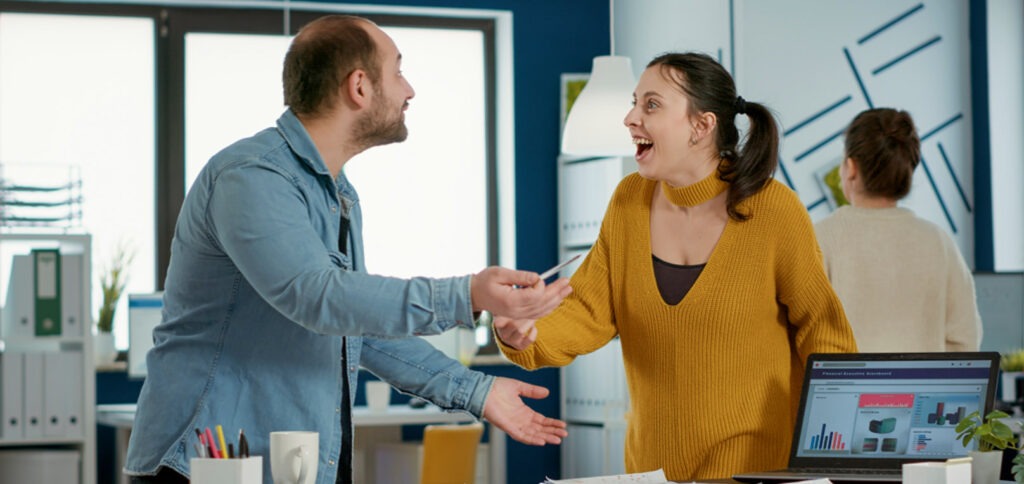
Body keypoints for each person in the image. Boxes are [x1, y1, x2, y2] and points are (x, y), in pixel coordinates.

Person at [124, 15, 571, 484]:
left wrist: (477, 391)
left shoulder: (336, 194)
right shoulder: (252, 176)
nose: (409, 89)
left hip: (289, 466)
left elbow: (356, 329)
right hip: (203, 467)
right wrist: (468, 295)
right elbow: (316, 296)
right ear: (359, 86)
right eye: (397, 71)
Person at [493, 52, 858, 481]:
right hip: (652, 469)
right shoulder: (629, 201)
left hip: (757, 468)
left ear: (701, 126)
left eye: (651, 104)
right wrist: (523, 332)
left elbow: (825, 333)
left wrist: (838, 456)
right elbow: (587, 311)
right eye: (634, 102)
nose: (630, 117)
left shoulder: (774, 210)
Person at [814, 108, 982, 352]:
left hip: (844, 389)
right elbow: (964, 340)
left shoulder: (820, 238)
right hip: (926, 389)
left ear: (851, 167)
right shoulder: (939, 242)